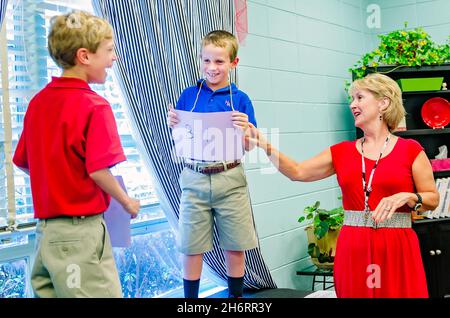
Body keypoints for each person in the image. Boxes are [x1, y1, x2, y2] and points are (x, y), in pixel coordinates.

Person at [245, 73, 439, 297]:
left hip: (397, 246)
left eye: (359, 97)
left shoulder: (410, 150)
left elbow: (432, 199)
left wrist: (409, 197)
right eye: (352, 99)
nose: (352, 104)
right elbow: (298, 172)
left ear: (383, 103)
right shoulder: (342, 152)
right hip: (353, 246)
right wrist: (265, 145)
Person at [12, 11, 140, 298]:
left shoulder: (39, 102)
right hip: (79, 235)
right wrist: (127, 201)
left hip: (46, 235)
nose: (114, 58)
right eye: (109, 51)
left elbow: (22, 161)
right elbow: (97, 170)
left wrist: (59, 181)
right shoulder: (94, 106)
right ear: (84, 56)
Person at [167, 30, 258, 298]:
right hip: (194, 176)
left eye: (219, 62)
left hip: (230, 177)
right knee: (191, 245)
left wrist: (247, 130)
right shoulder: (188, 95)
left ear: (233, 63)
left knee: (235, 244)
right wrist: (173, 125)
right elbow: (181, 139)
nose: (212, 68)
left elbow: (250, 145)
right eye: (206, 61)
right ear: (200, 60)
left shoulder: (240, 99)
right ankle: (190, 300)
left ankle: (236, 297)